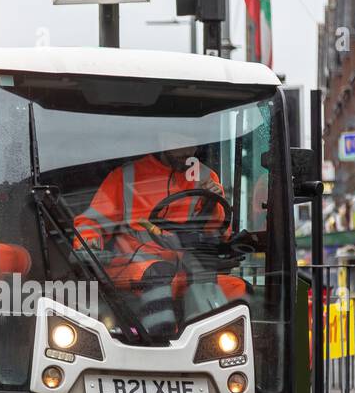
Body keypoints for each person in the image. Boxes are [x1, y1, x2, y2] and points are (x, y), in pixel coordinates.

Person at [73, 137, 248, 333]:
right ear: (162, 139)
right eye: (178, 141)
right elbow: (91, 221)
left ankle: (216, 350)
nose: (186, 150)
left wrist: (212, 204)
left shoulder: (206, 177)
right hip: (132, 265)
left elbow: (219, 233)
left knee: (240, 290)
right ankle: (160, 342)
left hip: (185, 269)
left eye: (192, 142)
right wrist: (89, 243)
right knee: (159, 273)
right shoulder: (126, 176)